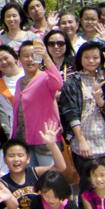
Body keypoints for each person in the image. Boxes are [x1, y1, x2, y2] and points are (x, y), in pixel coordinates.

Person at [58, 41, 105, 183]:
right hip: (84, 141)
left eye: (95, 57)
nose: (91, 61)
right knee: (87, 185)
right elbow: (71, 113)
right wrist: (81, 140)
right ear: (80, 58)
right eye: (87, 57)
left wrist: (100, 97)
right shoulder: (72, 83)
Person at [8, 37, 65, 171]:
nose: (30, 59)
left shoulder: (46, 77)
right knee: (30, 177)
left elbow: (58, 83)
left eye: (34, 55)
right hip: (24, 140)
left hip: (44, 139)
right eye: (25, 55)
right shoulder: (19, 82)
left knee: (49, 177)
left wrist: (46, 57)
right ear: (19, 59)